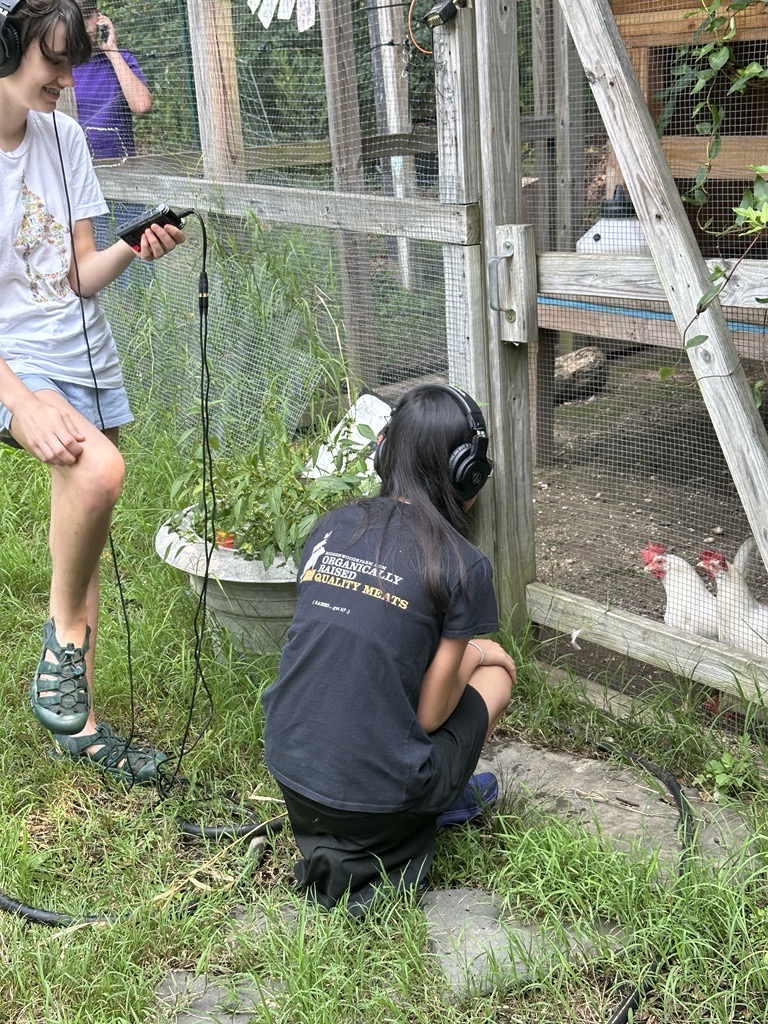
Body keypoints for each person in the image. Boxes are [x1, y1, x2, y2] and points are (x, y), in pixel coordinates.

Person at [0, 0, 186, 783]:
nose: (67, 79)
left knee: (86, 514)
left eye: (74, 62)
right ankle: (62, 653)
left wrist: (130, 247)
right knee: (100, 471)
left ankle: (77, 722)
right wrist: (20, 400)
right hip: (13, 362)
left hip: (80, 352)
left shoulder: (65, 135)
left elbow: (78, 276)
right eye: (54, 62)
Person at [262, 384, 517, 915]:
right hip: (376, 802)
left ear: (383, 451)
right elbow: (428, 715)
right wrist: (479, 655)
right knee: (499, 675)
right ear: (469, 472)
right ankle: (434, 803)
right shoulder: (463, 564)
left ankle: (390, 810)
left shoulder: (332, 527)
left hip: (291, 772)